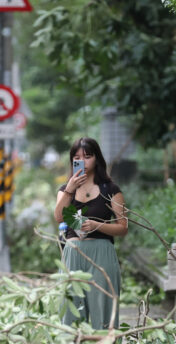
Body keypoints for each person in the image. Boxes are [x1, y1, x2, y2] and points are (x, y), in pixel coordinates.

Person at [54, 137, 128, 329]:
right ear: (72, 161)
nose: (83, 161)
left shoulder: (110, 189)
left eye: (88, 156)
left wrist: (97, 225)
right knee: (71, 315)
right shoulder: (65, 190)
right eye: (77, 157)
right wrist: (70, 190)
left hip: (102, 254)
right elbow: (59, 217)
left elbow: (122, 227)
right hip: (73, 253)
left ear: (97, 159)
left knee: (103, 315)